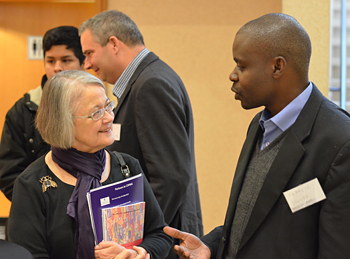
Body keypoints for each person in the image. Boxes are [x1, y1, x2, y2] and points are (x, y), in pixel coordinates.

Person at [164, 13, 350, 259]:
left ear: (277, 67)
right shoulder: (260, 124)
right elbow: (254, 221)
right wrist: (211, 246)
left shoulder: (340, 141)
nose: (233, 75)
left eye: (242, 66)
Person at [7, 70, 172, 259]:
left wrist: (139, 254)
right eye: (97, 112)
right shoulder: (32, 185)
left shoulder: (127, 168)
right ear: (64, 122)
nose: (109, 117)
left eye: (108, 106)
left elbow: (159, 234)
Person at [79, 10, 203, 259]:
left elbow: (170, 178)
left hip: (160, 245)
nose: (87, 65)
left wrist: (142, 241)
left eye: (89, 53)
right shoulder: (146, 80)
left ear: (113, 43)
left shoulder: (150, 85)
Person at [0, 26, 85, 201]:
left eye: (66, 60)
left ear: (83, 63)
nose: (57, 68)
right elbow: (9, 173)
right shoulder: (23, 109)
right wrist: (44, 204)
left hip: (88, 208)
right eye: (50, 61)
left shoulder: (98, 108)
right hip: (37, 213)